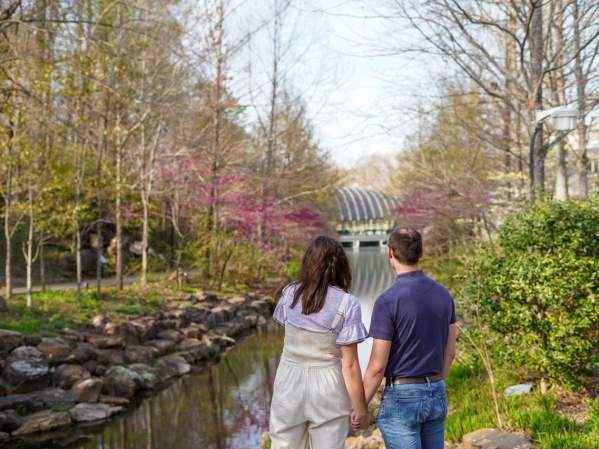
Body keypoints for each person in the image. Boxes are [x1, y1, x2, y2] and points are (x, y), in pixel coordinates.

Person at [269, 235, 369, 449]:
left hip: (288, 382)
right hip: (329, 387)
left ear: (308, 262)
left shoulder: (289, 294)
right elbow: (349, 365)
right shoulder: (348, 303)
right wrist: (360, 408)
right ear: (341, 266)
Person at [362, 228, 458, 449]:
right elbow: (450, 351)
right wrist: (433, 383)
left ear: (390, 253)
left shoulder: (388, 301)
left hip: (402, 398)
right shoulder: (444, 295)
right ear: (420, 252)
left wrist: (360, 405)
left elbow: (377, 366)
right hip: (436, 390)